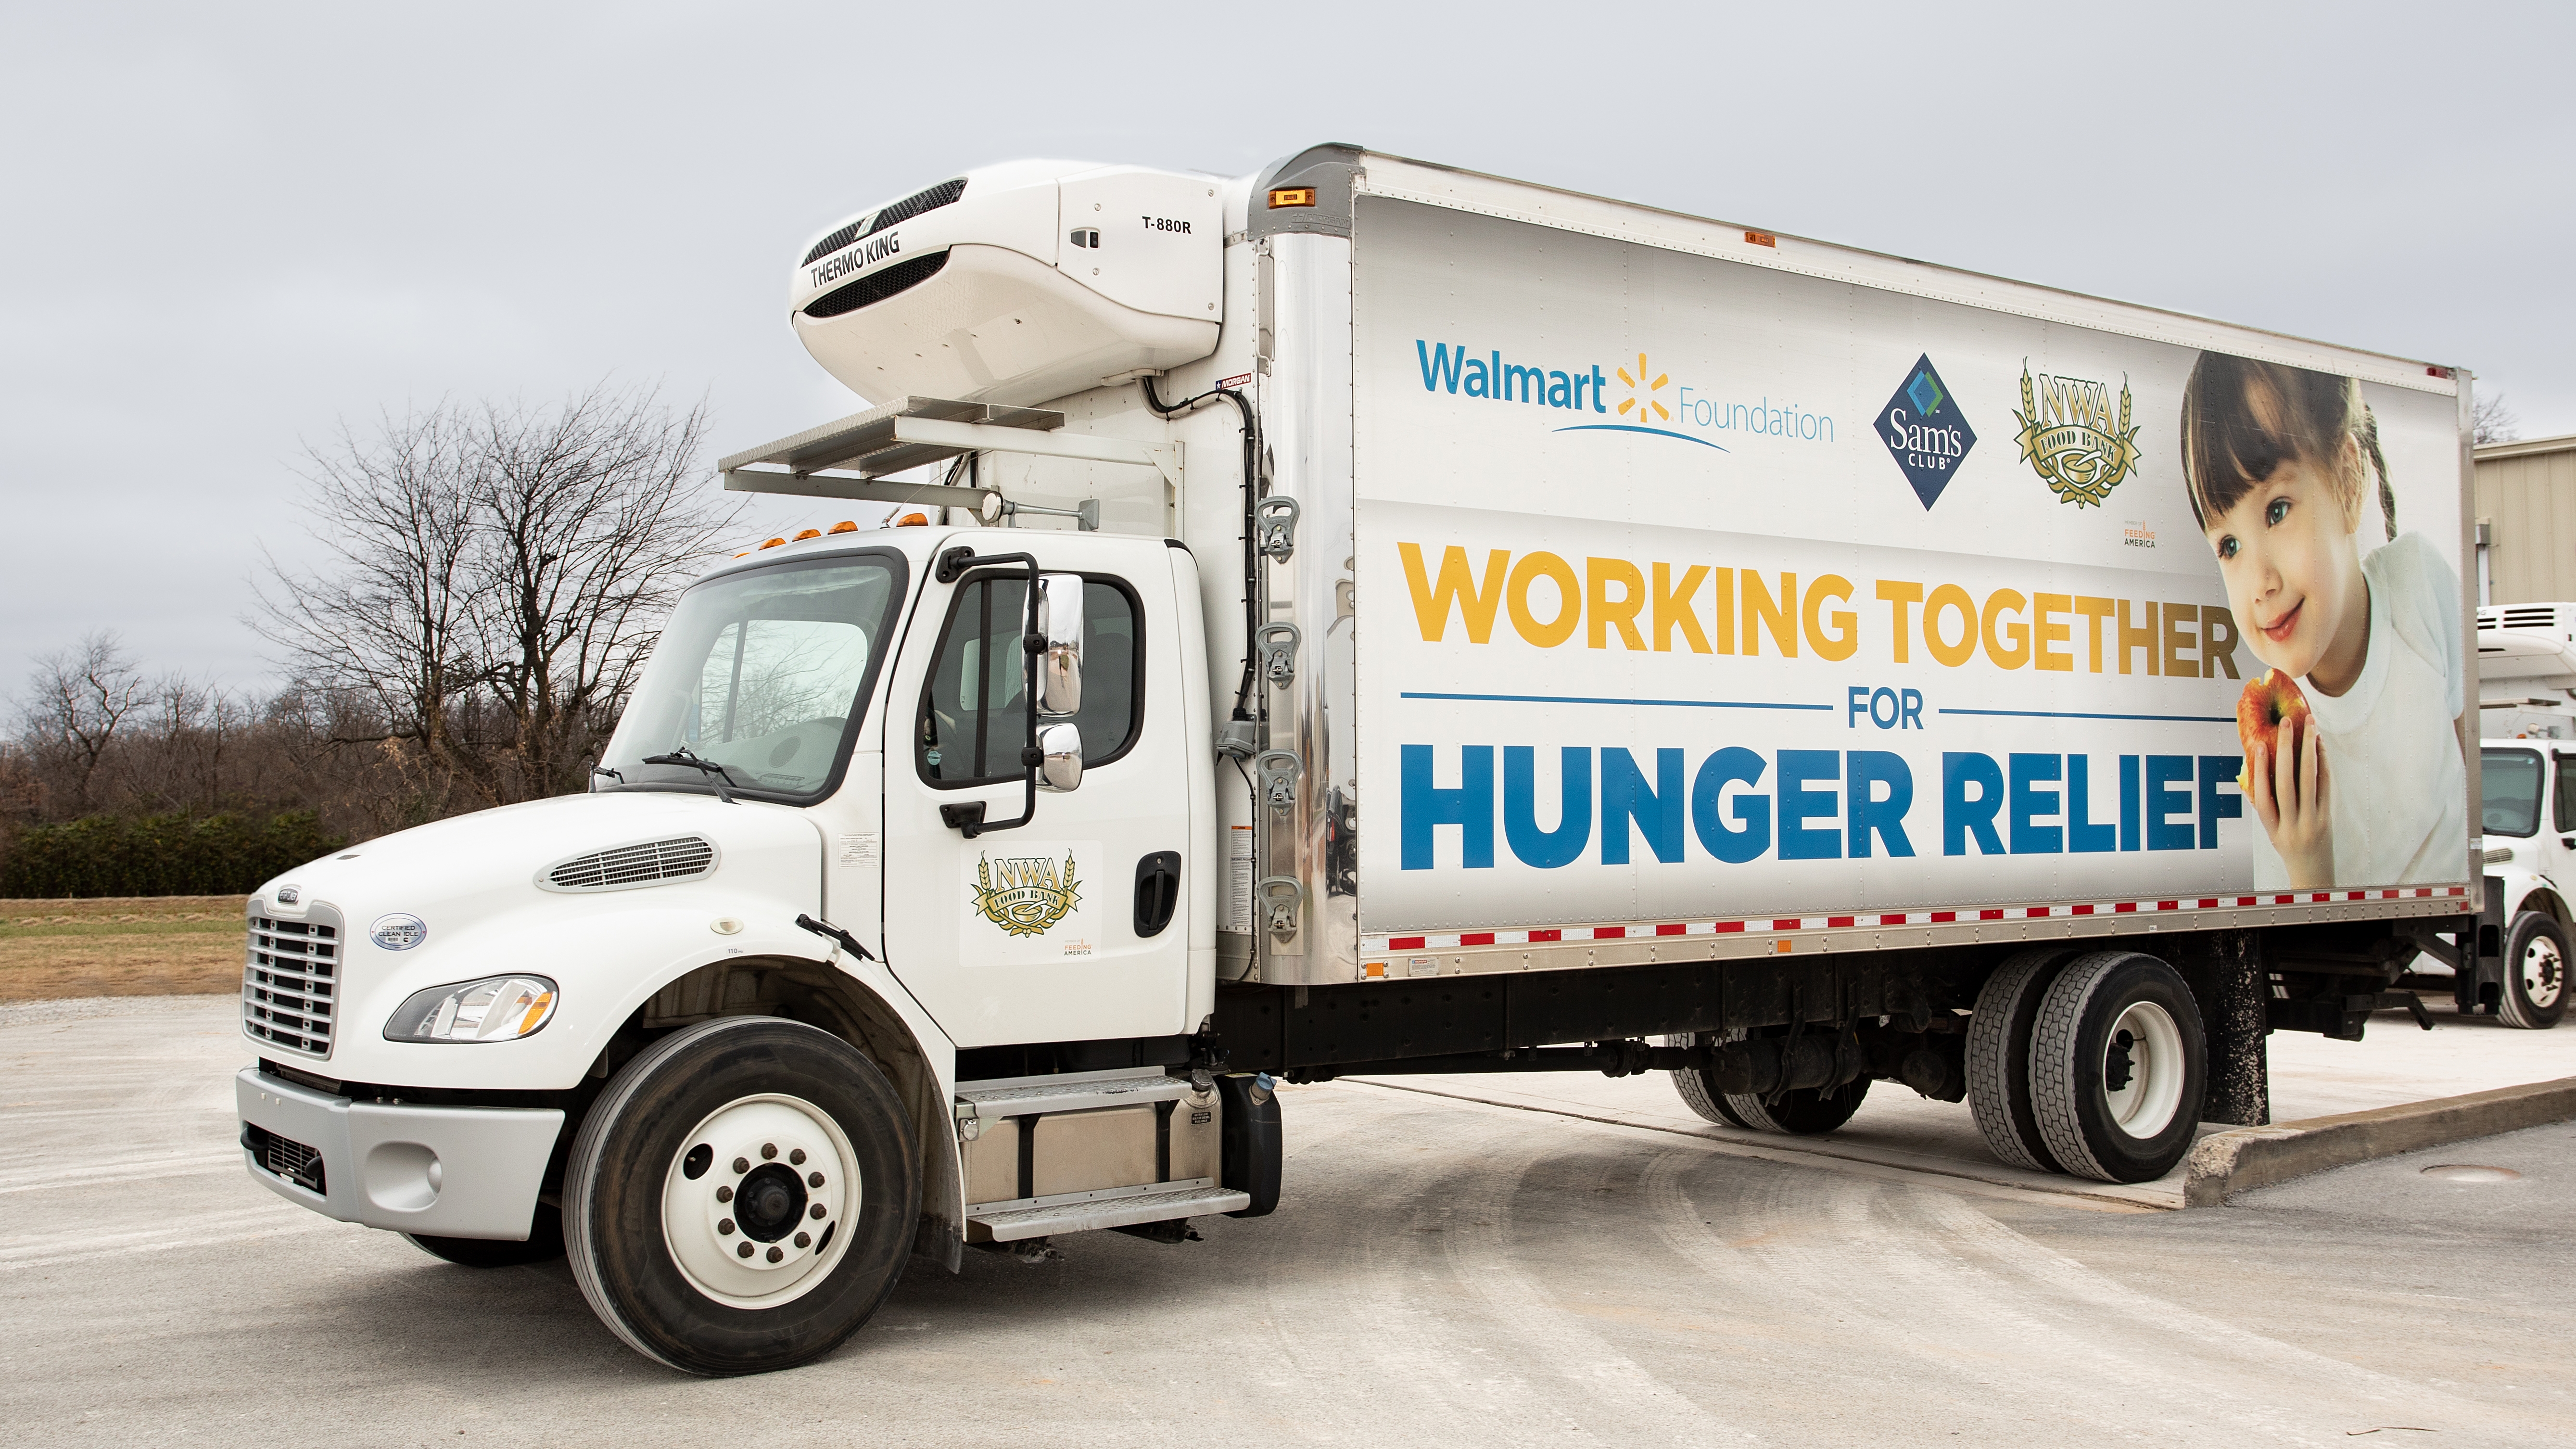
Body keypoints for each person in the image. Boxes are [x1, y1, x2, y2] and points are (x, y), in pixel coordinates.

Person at [2180, 354, 2463, 888]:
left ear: (2349, 479)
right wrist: (2305, 855)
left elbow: (2469, 780)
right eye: (2230, 545)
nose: (2260, 581)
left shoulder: (2419, 586)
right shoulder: (2273, 749)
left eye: (2278, 510)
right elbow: (2310, 936)